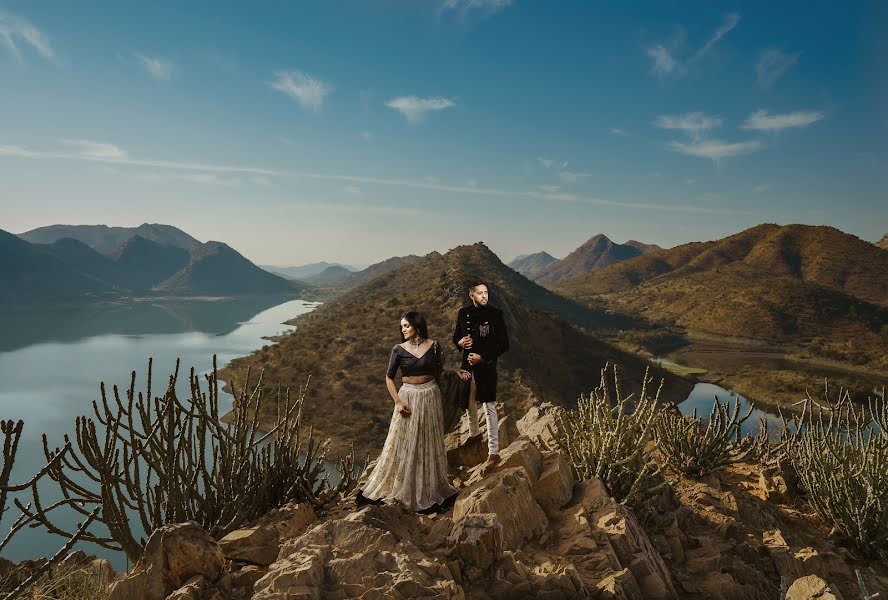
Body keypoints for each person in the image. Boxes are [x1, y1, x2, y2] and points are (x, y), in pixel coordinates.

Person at [357, 312, 457, 512]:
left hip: (430, 396)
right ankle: (404, 487)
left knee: (427, 441)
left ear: (417, 326)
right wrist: (398, 402)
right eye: (401, 326)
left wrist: (458, 373)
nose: (403, 329)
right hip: (408, 398)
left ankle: (428, 488)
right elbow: (389, 378)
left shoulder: (434, 346)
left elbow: (439, 374)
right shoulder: (398, 350)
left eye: (406, 325)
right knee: (405, 443)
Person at [452, 281, 509, 468]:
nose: (484, 296)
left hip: (486, 366)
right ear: (472, 295)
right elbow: (455, 337)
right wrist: (459, 342)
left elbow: (503, 345)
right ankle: (474, 433)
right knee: (469, 400)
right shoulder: (463, 313)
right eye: (480, 293)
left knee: (489, 406)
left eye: (486, 292)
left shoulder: (495, 314)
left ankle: (493, 452)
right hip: (467, 366)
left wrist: (482, 357)